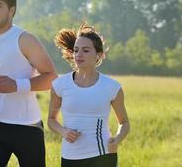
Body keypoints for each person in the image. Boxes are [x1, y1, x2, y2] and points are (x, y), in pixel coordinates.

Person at [0, 0, 57, 167]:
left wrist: (17, 85)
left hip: (26, 127)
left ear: (11, 11)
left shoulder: (25, 39)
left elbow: (52, 77)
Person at [48, 23, 130, 167]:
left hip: (102, 155)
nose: (79, 55)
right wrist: (64, 131)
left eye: (85, 50)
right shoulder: (60, 85)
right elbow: (51, 120)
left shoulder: (112, 87)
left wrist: (116, 140)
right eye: (76, 50)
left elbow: (124, 123)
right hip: (70, 156)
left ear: (98, 54)